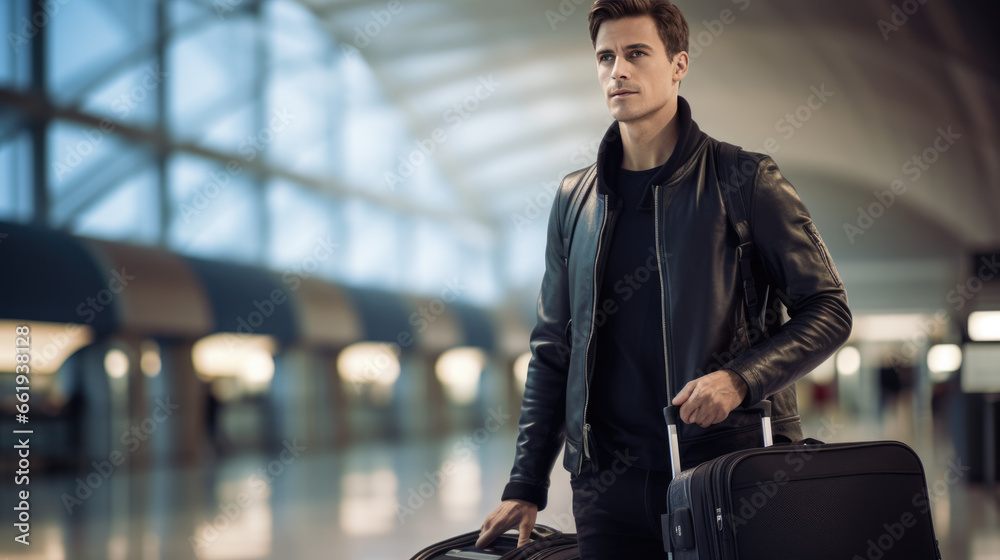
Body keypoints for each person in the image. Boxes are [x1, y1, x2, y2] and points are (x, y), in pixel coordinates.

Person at [476, 0, 853, 557]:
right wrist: (526, 482)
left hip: (724, 472)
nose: (617, 71)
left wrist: (740, 379)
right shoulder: (574, 201)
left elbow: (828, 309)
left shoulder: (744, 179)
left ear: (678, 64)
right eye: (605, 57)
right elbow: (554, 349)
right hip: (605, 487)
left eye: (635, 54)